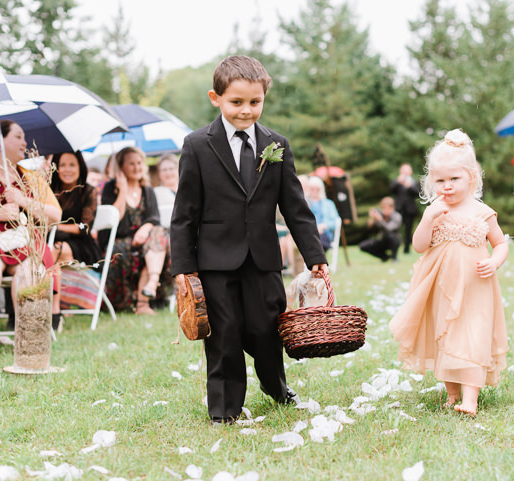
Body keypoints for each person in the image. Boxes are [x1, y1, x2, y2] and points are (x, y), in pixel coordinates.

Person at [170, 55, 328, 424]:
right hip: (215, 261)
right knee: (223, 334)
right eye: (236, 102)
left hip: (263, 259)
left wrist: (313, 253)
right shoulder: (196, 145)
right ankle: (224, 409)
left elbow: (296, 206)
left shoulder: (277, 145)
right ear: (216, 98)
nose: (246, 111)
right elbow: (184, 213)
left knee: (266, 329)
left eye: (254, 102)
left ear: (264, 98)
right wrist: (183, 267)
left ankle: (275, 386)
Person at [389, 129, 508, 416]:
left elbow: (501, 242)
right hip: (442, 287)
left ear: (472, 178)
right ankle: (452, 393)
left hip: (476, 287)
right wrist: (428, 219)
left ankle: (471, 399)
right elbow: (419, 246)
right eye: (440, 180)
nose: (447, 186)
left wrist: (494, 262)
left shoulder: (482, 212)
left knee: (473, 335)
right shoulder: (435, 210)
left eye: (455, 179)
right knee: (446, 336)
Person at [0, 120, 62, 359]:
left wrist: (22, 200)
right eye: (18, 137)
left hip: (23, 239)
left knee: (31, 269)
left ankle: (29, 338)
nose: (25, 142)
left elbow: (55, 216)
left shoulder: (30, 177)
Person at [99, 146, 170, 315]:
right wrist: (122, 190)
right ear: (121, 167)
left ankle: (150, 287)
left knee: (158, 234)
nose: (137, 167)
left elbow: (154, 219)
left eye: (139, 163)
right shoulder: (111, 189)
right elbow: (116, 223)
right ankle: (141, 302)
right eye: (132, 164)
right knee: (151, 243)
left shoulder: (148, 190)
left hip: (146, 242)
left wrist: (144, 230)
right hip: (118, 241)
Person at [49, 151, 103, 330]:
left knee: (53, 252)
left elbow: (84, 227)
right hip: (53, 240)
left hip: (82, 244)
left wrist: (56, 227)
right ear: (55, 167)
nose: (67, 169)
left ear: (80, 167)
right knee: (47, 250)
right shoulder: (48, 189)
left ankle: (54, 312)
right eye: (62, 165)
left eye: (72, 165)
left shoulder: (88, 191)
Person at [359, 196, 402, 262]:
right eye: (383, 208)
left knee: (390, 236)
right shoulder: (380, 215)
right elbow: (370, 230)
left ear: (392, 208)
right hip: (382, 240)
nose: (384, 210)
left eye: (387, 208)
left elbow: (389, 229)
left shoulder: (397, 216)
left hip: (394, 240)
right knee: (363, 246)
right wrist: (372, 219)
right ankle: (385, 257)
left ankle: (394, 257)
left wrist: (381, 220)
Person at [390, 163, 420, 254]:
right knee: (395, 229)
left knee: (408, 230)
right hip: (398, 209)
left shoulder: (414, 182)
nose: (406, 172)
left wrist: (410, 186)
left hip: (410, 210)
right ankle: (394, 247)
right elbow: (391, 190)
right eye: (404, 170)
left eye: (407, 170)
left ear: (410, 171)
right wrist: (398, 182)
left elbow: (419, 193)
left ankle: (406, 249)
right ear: (401, 171)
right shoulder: (397, 181)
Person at [306, 175, 340, 251]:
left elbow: (335, 222)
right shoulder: (305, 203)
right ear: (308, 189)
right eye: (312, 188)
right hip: (308, 234)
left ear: (321, 189)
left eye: (317, 189)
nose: (315, 190)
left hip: (324, 234)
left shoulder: (328, 204)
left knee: (316, 242)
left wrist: (323, 226)